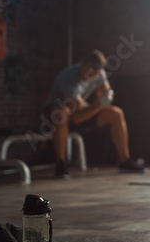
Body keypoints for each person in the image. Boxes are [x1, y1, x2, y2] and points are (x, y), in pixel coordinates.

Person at [43, 49, 144, 178]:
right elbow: (77, 118)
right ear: (81, 63)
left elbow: (105, 92)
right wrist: (100, 104)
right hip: (55, 114)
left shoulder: (99, 73)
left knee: (116, 113)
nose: (91, 77)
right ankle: (60, 165)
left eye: (94, 75)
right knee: (62, 112)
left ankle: (125, 162)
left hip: (80, 111)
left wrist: (107, 96)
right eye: (89, 72)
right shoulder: (69, 79)